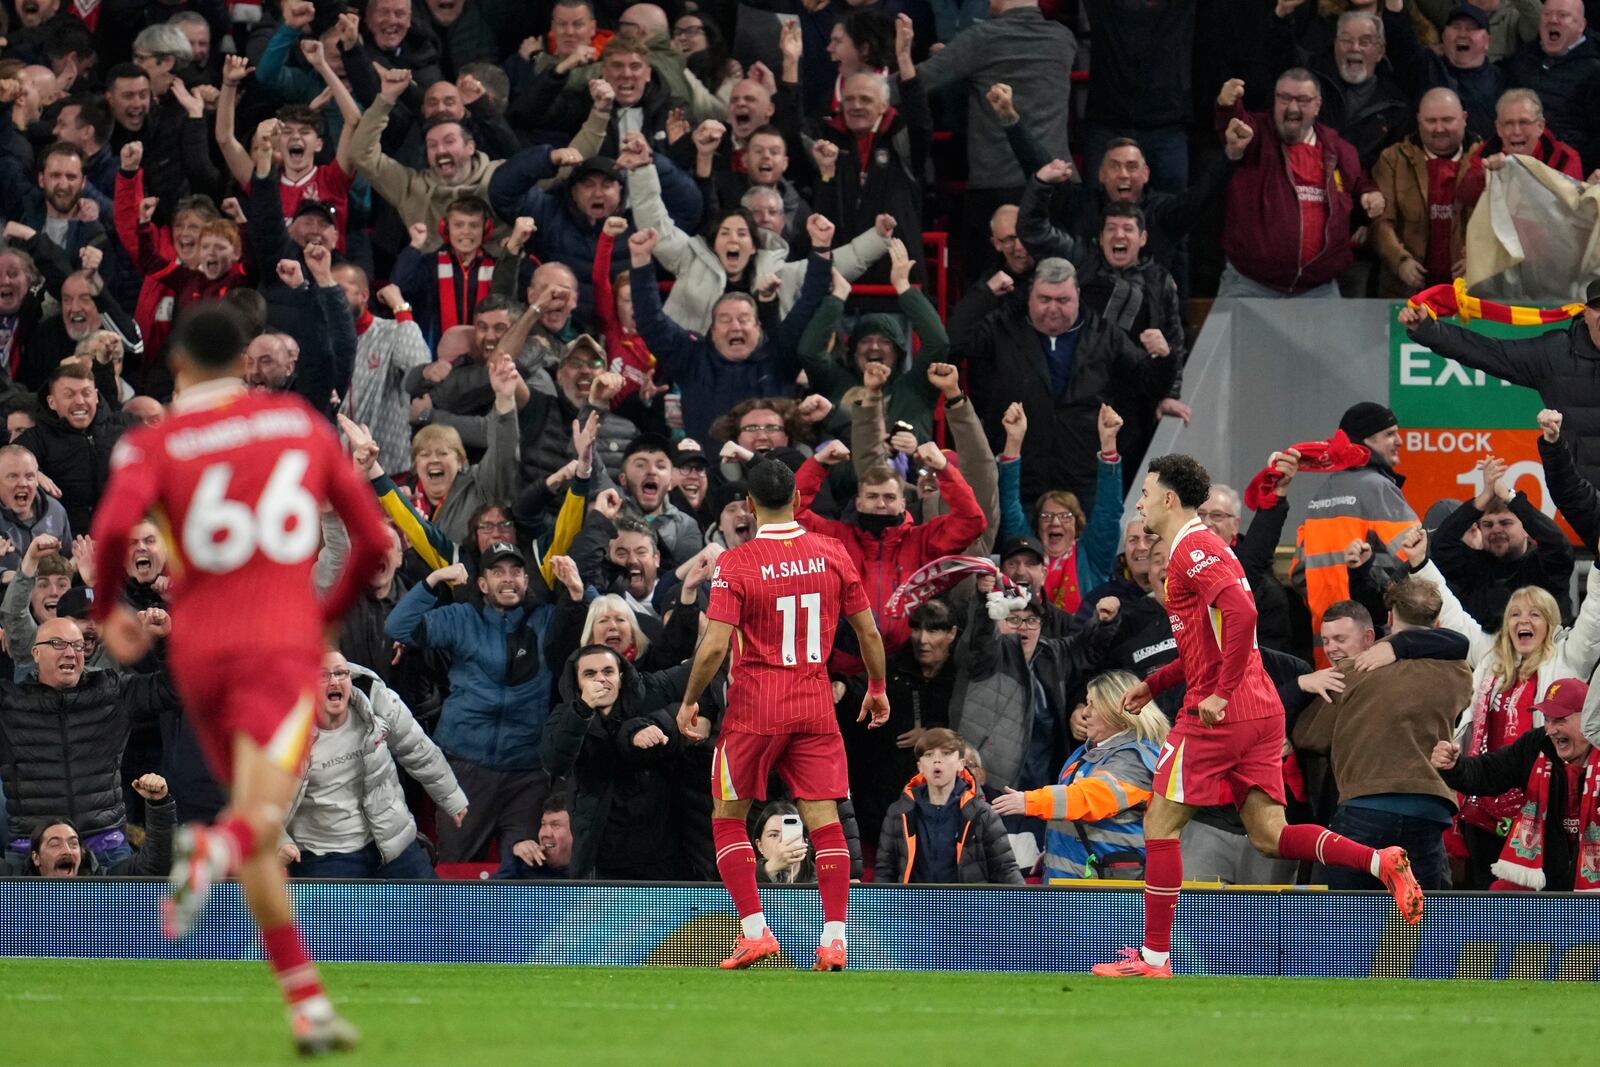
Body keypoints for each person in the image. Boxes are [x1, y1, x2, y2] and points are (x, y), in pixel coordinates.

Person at [87, 304, 390, 1055]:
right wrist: (327, 616)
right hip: (279, 644)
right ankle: (208, 850)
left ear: (181, 368)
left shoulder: (154, 442)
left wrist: (105, 612)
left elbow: (113, 529)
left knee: (257, 825)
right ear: (245, 364)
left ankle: (306, 1004)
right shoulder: (297, 425)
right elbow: (373, 539)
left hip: (198, 650)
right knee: (256, 817)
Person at [1091, 454, 1423, 979]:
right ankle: (1379, 861)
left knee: (1159, 823)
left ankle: (1154, 958)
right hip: (1261, 710)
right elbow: (1209, 638)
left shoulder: (1191, 549)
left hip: (1221, 714)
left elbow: (1243, 617)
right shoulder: (1203, 547)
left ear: (1169, 499)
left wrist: (1219, 693)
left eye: (1146, 492)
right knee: (1269, 834)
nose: (1141, 502)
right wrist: (1154, 683)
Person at [674, 458, 889, 971]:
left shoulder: (738, 562)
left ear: (748, 506)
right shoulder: (833, 552)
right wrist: (877, 687)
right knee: (826, 825)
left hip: (754, 709)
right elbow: (869, 634)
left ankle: (755, 933)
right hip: (815, 704)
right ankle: (834, 939)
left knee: (728, 818)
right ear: (797, 500)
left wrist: (689, 701)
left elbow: (713, 646)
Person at [1409, 524, 1600, 887]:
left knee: (1536, 907)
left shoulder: (1567, 659)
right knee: (1487, 901)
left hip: (1541, 805)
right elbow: (1455, 618)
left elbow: (1593, 618)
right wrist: (1422, 564)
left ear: (1551, 623)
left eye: (1534, 615)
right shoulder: (1491, 660)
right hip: (1484, 797)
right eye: (1515, 614)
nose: (1522, 622)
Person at [383, 543, 585, 864]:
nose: (508, 579)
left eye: (516, 572)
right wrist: (434, 580)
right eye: (498, 571)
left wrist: (577, 591)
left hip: (527, 773)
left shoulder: (546, 619)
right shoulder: (463, 617)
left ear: (526, 580)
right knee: (456, 873)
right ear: (482, 584)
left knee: (526, 873)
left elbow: (592, 623)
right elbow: (398, 627)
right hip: (465, 769)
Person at [1291, 581, 1474, 890]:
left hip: (1366, 806)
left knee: (1342, 921)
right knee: (1414, 925)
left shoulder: (1357, 669)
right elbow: (1458, 645)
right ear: (1437, 622)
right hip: (1429, 810)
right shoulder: (1459, 672)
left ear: (1389, 619)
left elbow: (1310, 736)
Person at [1400, 286, 1600, 507]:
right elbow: (1488, 352)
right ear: (1584, 313)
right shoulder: (1556, 353)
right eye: (1598, 307)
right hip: (1584, 499)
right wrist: (1428, 330)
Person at [278, 654, 467, 880]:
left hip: (390, 839)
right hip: (326, 855)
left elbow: (418, 749)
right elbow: (260, 800)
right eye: (323, 676)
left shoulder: (376, 703)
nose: (334, 682)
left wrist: (450, 795)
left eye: (340, 673)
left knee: (434, 910)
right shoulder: (284, 730)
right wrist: (279, 843)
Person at [1213, 72, 1384, 298]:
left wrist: (1369, 195)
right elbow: (1235, 127)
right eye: (1284, 98)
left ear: (1317, 105)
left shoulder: (1340, 150)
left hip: (1318, 289)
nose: (1292, 108)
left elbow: (1360, 184)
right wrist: (1226, 106)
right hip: (1250, 285)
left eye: (1302, 100)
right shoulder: (1257, 136)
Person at [991, 670, 1168, 881]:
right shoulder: (1088, 751)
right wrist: (1056, 851)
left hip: (1106, 895)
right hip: (1075, 880)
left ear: (1117, 709)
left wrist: (1028, 801)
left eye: (1094, 704)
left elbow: (1088, 798)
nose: (1085, 713)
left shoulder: (1135, 760)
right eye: (1087, 703)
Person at [1431, 677, 1600, 891]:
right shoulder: (1536, 744)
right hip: (1546, 877)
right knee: (1502, 892)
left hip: (1592, 883)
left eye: (1559, 720)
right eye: (1547, 719)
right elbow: (1489, 772)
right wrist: (1455, 767)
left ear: (1589, 717)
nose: (1550, 729)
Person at [541, 644, 685, 878]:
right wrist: (582, 710)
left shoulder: (649, 693)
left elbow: (698, 673)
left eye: (608, 672)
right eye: (590, 674)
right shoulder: (565, 714)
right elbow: (554, 762)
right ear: (577, 683)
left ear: (620, 676)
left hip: (659, 855)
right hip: (599, 855)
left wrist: (653, 726)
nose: (600, 679)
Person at [1292, 401, 1418, 663]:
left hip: (1327, 652)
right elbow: (1416, 562)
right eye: (1390, 434)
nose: (1399, 441)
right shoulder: (1378, 489)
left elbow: (1298, 573)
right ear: (1366, 440)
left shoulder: (1320, 496)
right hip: (1376, 647)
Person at [1431, 455, 1574, 630]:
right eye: (1488, 524)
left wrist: (1510, 498)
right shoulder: (1474, 566)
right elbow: (1440, 546)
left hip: (1546, 654)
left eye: (1505, 523)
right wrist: (1482, 499)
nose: (1496, 530)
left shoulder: (1545, 565)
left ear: (1525, 528)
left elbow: (1559, 545)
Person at [1370, 88, 1485, 298]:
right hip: (1404, 292)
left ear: (1464, 119)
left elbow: (1501, 226)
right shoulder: (1392, 159)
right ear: (1418, 120)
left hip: (1470, 293)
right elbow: (1381, 222)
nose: (1439, 128)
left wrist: (1480, 261)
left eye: (1447, 120)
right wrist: (1400, 261)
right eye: (1431, 121)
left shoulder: (1487, 160)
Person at [875, 727, 1022, 884]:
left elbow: (1005, 869)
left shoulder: (982, 813)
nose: (937, 760)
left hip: (968, 907)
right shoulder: (899, 812)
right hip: (913, 906)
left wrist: (1024, 906)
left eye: (946, 753)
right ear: (920, 767)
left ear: (961, 764)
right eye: (929, 754)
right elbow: (885, 871)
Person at [1505, 0, 1600, 169]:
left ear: (1581, 25)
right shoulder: (1524, 58)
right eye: (1547, 14)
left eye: (1563, 15)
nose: (1553, 20)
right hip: (1517, 163)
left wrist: (1575, 169)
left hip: (1569, 173)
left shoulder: (1594, 69)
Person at [24, 773, 175, 876]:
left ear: (82, 854)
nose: (67, 850)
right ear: (36, 858)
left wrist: (159, 804)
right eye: (54, 844)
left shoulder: (104, 885)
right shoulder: (13, 888)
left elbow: (154, 865)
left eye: (74, 843)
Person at [753, 800, 814, 884]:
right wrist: (769, 870)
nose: (782, 842)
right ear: (759, 845)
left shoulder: (823, 880)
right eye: (773, 835)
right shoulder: (742, 878)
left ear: (805, 843)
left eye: (790, 834)